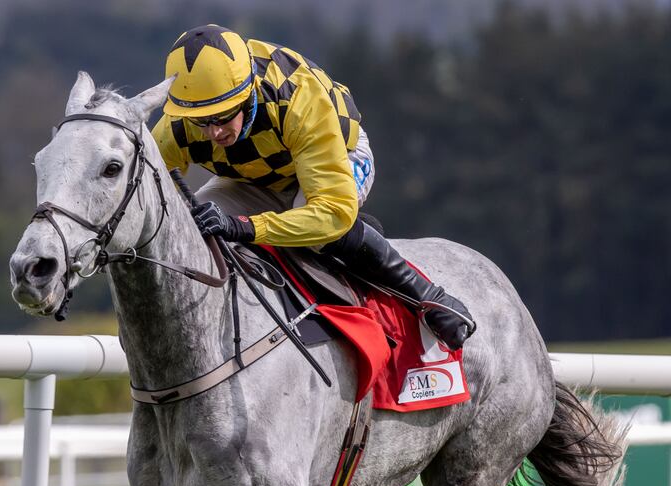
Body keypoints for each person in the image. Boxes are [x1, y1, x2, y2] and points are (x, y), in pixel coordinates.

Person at [151, 24, 474, 350]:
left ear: (248, 93)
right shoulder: (181, 116)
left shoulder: (299, 99)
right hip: (254, 178)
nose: (213, 132)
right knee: (196, 230)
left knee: (321, 232)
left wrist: (243, 227)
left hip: (337, 156)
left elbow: (331, 213)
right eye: (201, 121)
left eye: (222, 116)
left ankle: (428, 297)